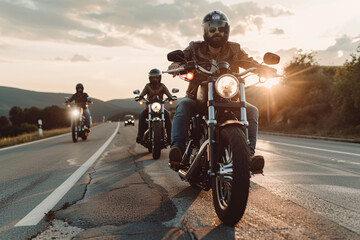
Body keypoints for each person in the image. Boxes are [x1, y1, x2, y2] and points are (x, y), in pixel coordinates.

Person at [168, 10, 276, 172]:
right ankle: (178, 149)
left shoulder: (235, 49)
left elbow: (249, 61)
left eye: (220, 29)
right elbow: (182, 57)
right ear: (206, 31)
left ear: (227, 31)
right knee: (183, 106)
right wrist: (176, 66)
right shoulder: (195, 48)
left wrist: (263, 68)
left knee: (252, 111)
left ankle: (248, 156)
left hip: (230, 98)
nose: (216, 32)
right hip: (198, 97)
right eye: (212, 29)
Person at [136, 68, 173, 144]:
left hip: (160, 108)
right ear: (150, 78)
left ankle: (170, 137)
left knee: (167, 116)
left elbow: (168, 94)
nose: (154, 79)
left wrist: (171, 97)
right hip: (149, 107)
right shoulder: (147, 86)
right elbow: (142, 94)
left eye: (156, 77)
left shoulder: (162, 86)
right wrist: (140, 97)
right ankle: (140, 136)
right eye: (153, 77)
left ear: (159, 77)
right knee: (142, 116)